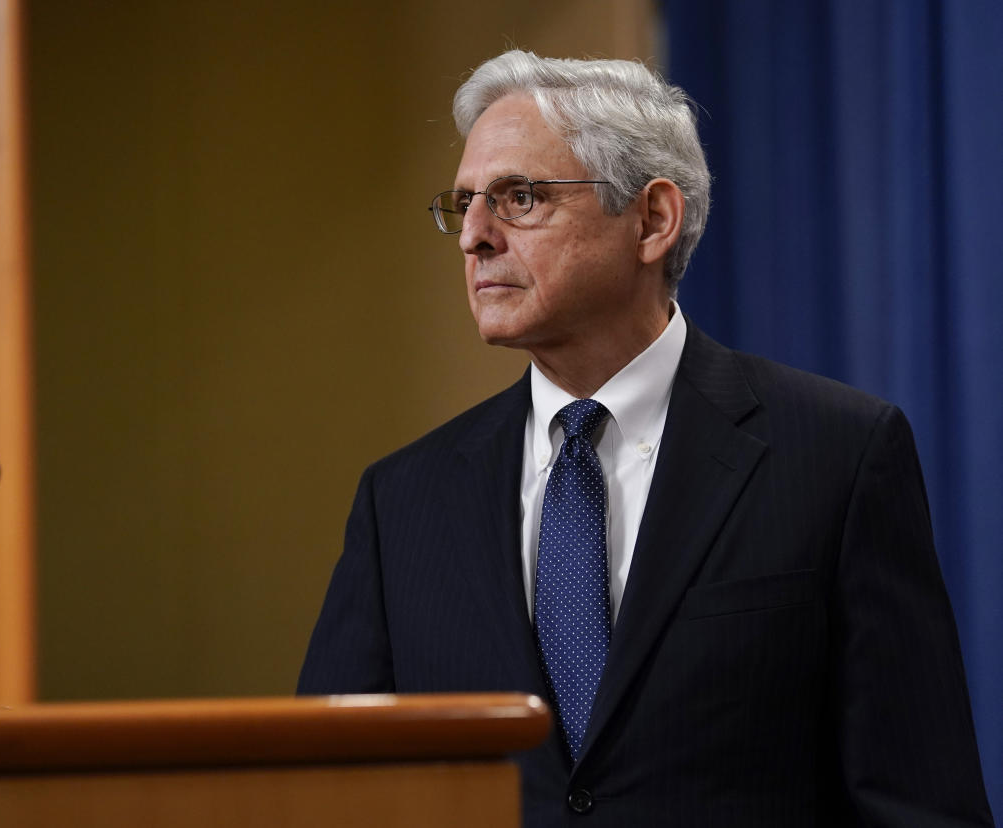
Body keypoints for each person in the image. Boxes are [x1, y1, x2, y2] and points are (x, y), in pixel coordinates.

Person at [297, 50, 993, 827]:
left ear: (653, 220)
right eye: (464, 205)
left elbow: (920, 806)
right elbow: (329, 791)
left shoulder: (838, 455)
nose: (475, 238)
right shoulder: (404, 502)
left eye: (518, 197)